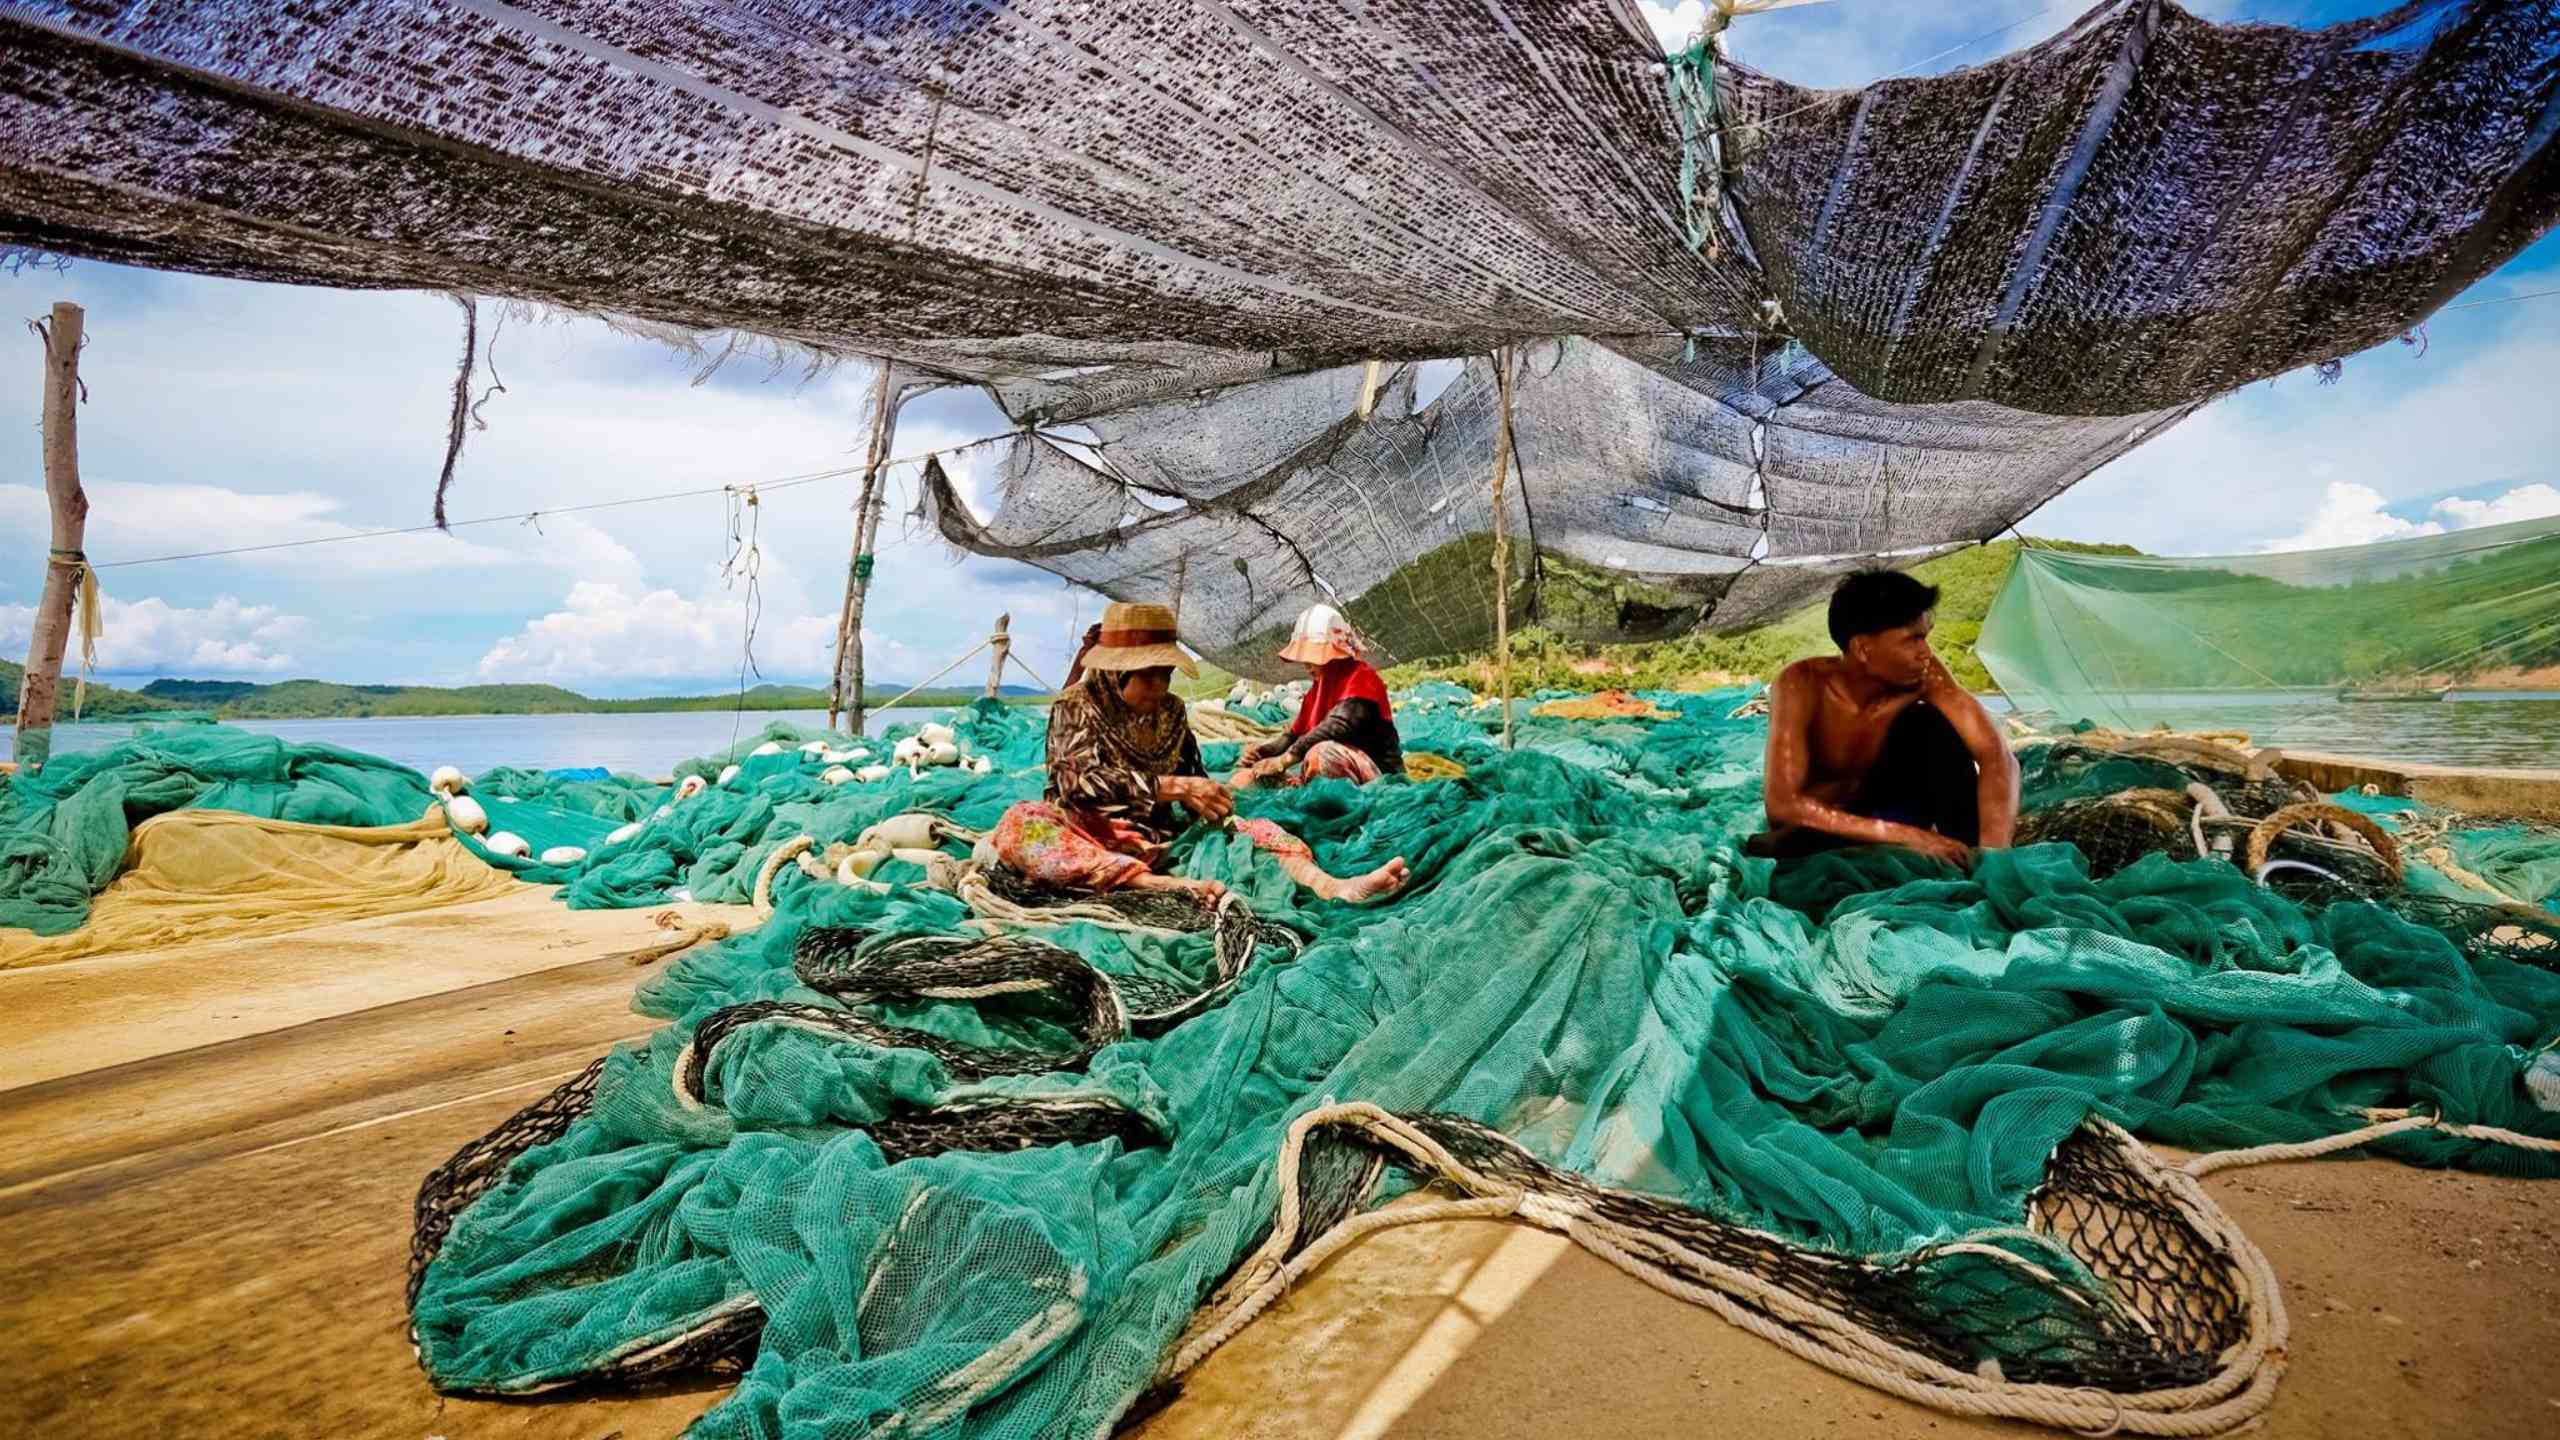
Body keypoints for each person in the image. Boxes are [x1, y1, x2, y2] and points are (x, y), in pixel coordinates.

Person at [991, 601, 1411, 903]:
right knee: (1020, 824)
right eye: (1148, 677)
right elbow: (1075, 782)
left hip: (1156, 839)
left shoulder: (1171, 712)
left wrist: (1214, 803)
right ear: (1118, 672)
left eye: (1166, 675)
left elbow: (1196, 781)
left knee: (1258, 829)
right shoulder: (1075, 706)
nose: (1160, 688)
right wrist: (1172, 787)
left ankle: (1332, 886)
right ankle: (1154, 886)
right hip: (1086, 834)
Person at [1749, 570, 2018, 868]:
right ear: (1863, 648)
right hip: (1820, 826)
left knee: (1928, 724)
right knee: (1774, 848)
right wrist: (1907, 836)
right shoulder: (1802, 683)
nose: (1926, 653)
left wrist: (1995, 850)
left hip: (1888, 808)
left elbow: (1996, 755)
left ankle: (1969, 857)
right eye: (1913, 640)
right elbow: (1782, 805)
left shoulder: (1926, 676)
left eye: (1926, 638)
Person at [1231, 604, 1404, 788]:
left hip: (1380, 776)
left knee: (1321, 755)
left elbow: (1338, 725)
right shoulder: (1316, 692)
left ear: (1335, 655)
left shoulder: (1362, 679)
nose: (1306, 664)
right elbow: (1292, 736)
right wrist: (1261, 753)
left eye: (1312, 656)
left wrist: (1284, 760)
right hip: (1339, 778)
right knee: (1247, 778)